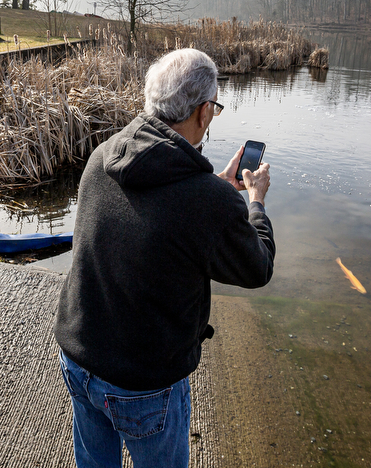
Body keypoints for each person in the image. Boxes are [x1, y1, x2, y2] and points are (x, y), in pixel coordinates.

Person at [53, 48, 276, 468]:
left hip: (79, 354)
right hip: (143, 381)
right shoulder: (204, 200)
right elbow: (257, 266)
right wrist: (256, 202)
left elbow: (158, 212)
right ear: (205, 111)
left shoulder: (103, 157)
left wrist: (218, 190)